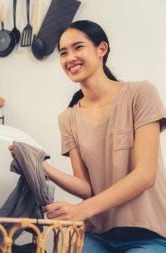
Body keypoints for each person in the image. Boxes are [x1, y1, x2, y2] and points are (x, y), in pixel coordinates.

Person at [39, 20, 166, 252]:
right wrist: (42, 166)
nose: (70, 58)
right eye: (63, 52)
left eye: (78, 47)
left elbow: (145, 174)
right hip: (97, 234)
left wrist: (81, 210)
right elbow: (86, 187)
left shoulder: (140, 94)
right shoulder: (67, 118)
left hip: (149, 234)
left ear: (101, 49)